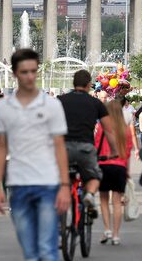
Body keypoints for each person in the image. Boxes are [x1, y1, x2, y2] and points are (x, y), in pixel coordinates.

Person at [0, 49, 70, 261]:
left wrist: (65, 186)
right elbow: (2, 147)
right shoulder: (3, 107)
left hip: (47, 183)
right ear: (15, 73)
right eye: (24, 72)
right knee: (30, 253)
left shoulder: (52, 105)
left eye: (33, 71)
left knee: (47, 249)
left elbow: (60, 146)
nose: (30, 76)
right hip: (18, 184)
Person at [58, 69, 118, 210]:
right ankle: (90, 195)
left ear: (73, 83)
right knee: (94, 176)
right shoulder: (96, 103)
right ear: (89, 84)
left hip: (63, 148)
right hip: (85, 147)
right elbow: (108, 129)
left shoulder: (60, 101)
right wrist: (114, 150)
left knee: (58, 175)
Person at [95, 100, 133, 246]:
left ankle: (107, 229)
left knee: (104, 200)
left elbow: (96, 145)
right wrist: (127, 171)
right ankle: (116, 235)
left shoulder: (101, 127)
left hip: (103, 164)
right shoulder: (126, 129)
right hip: (120, 166)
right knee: (117, 202)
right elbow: (128, 152)